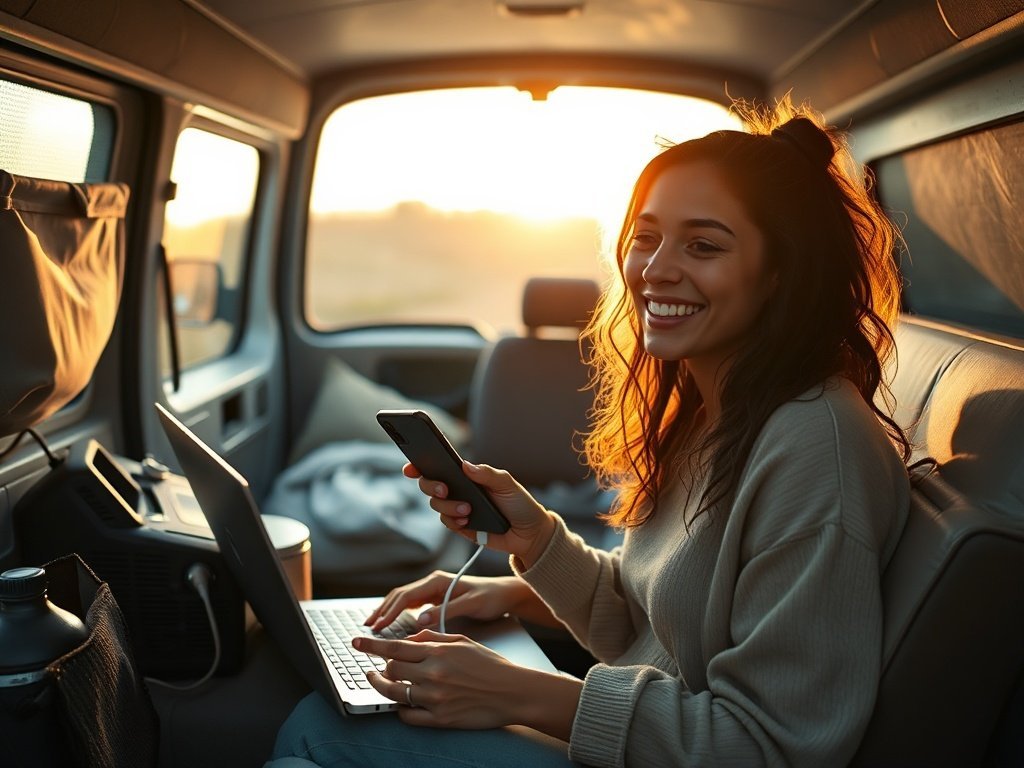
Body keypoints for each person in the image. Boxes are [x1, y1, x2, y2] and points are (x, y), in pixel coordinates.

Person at [266, 97, 912, 767]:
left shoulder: (817, 445)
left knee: (315, 735)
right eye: (646, 236)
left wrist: (522, 695)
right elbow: (650, 631)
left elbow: (770, 744)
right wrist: (535, 550)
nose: (655, 268)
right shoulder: (715, 412)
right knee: (320, 721)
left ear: (779, 273)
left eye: (704, 245)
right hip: (642, 740)